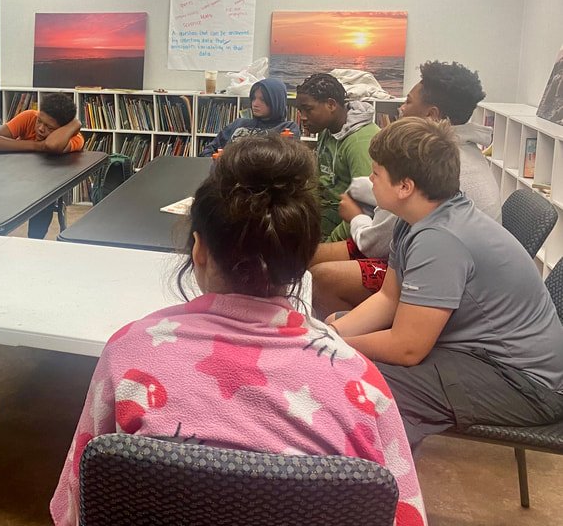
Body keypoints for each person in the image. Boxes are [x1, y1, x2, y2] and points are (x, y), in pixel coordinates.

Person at [49, 133, 425, 526]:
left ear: (199, 250)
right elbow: (404, 514)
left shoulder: (126, 353)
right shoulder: (361, 384)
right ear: (301, 260)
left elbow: (73, 509)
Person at [329, 118, 563, 448]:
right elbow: (388, 299)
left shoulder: (439, 239)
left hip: (527, 384)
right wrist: (333, 335)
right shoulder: (417, 219)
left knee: (357, 377)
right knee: (335, 333)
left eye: (377, 173)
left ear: (404, 187)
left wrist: (332, 346)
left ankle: (376, 484)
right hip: (485, 358)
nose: (371, 179)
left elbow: (407, 348)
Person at [311, 61, 502, 315]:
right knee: (312, 256)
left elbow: (375, 243)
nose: (400, 108)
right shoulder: (464, 152)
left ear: (431, 115)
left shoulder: (428, 162)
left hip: (446, 283)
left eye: (408, 102)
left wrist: (356, 216)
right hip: (429, 259)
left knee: (320, 276)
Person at [0, 93, 83, 239]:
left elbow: (52, 145)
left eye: (49, 127)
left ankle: (35, 240)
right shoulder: (30, 117)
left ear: (64, 128)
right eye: (39, 121)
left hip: (42, 185)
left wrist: (75, 124)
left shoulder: (74, 138)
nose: (41, 129)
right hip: (14, 177)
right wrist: (38, 146)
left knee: (44, 197)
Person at [294, 72, 379, 240]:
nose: (302, 117)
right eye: (300, 110)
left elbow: (366, 208)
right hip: (326, 212)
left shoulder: (359, 142)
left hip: (349, 223)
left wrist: (329, 245)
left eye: (308, 109)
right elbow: (321, 182)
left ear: (331, 105)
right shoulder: (328, 130)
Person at [199, 76, 299, 155]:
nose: (255, 103)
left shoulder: (288, 128)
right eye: (253, 98)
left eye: (262, 100)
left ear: (275, 102)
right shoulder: (239, 123)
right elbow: (209, 150)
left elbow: (284, 160)